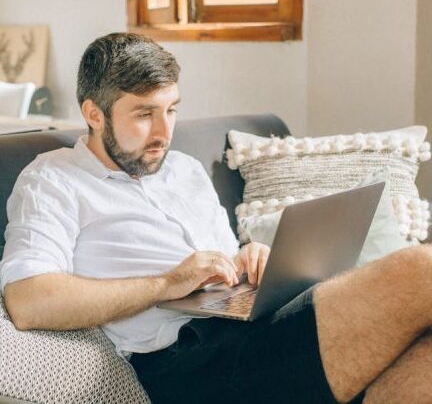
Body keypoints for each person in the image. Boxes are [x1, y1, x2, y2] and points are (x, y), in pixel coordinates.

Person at [1, 33, 432, 404]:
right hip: (188, 362)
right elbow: (28, 299)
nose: (163, 132)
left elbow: (220, 261)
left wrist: (247, 258)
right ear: (94, 114)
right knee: (420, 268)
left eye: (171, 109)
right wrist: (167, 284)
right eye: (144, 113)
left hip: (250, 324)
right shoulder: (53, 179)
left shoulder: (184, 170)